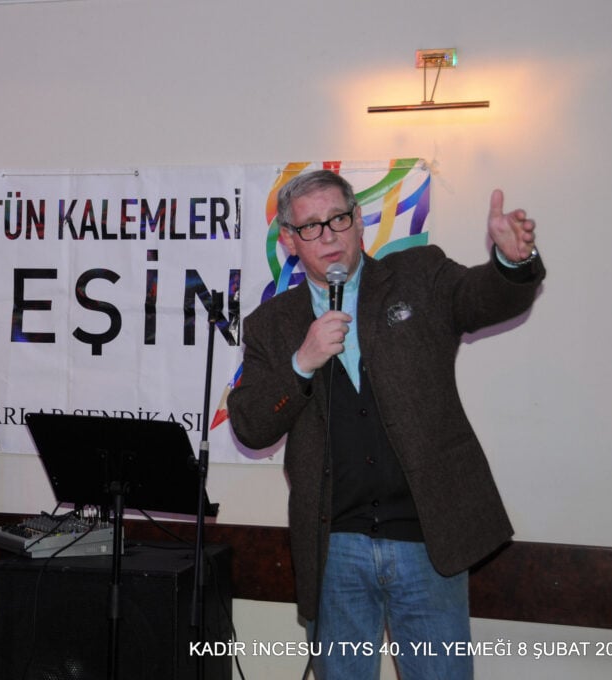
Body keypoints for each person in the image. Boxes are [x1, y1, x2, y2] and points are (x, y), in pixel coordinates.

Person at [227, 169, 544, 680]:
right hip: (334, 549)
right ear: (288, 240)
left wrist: (510, 261)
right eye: (310, 227)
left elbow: (482, 297)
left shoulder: (419, 274)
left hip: (428, 539)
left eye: (339, 219)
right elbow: (250, 425)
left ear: (358, 220)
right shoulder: (273, 324)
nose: (328, 236)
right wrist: (301, 364)